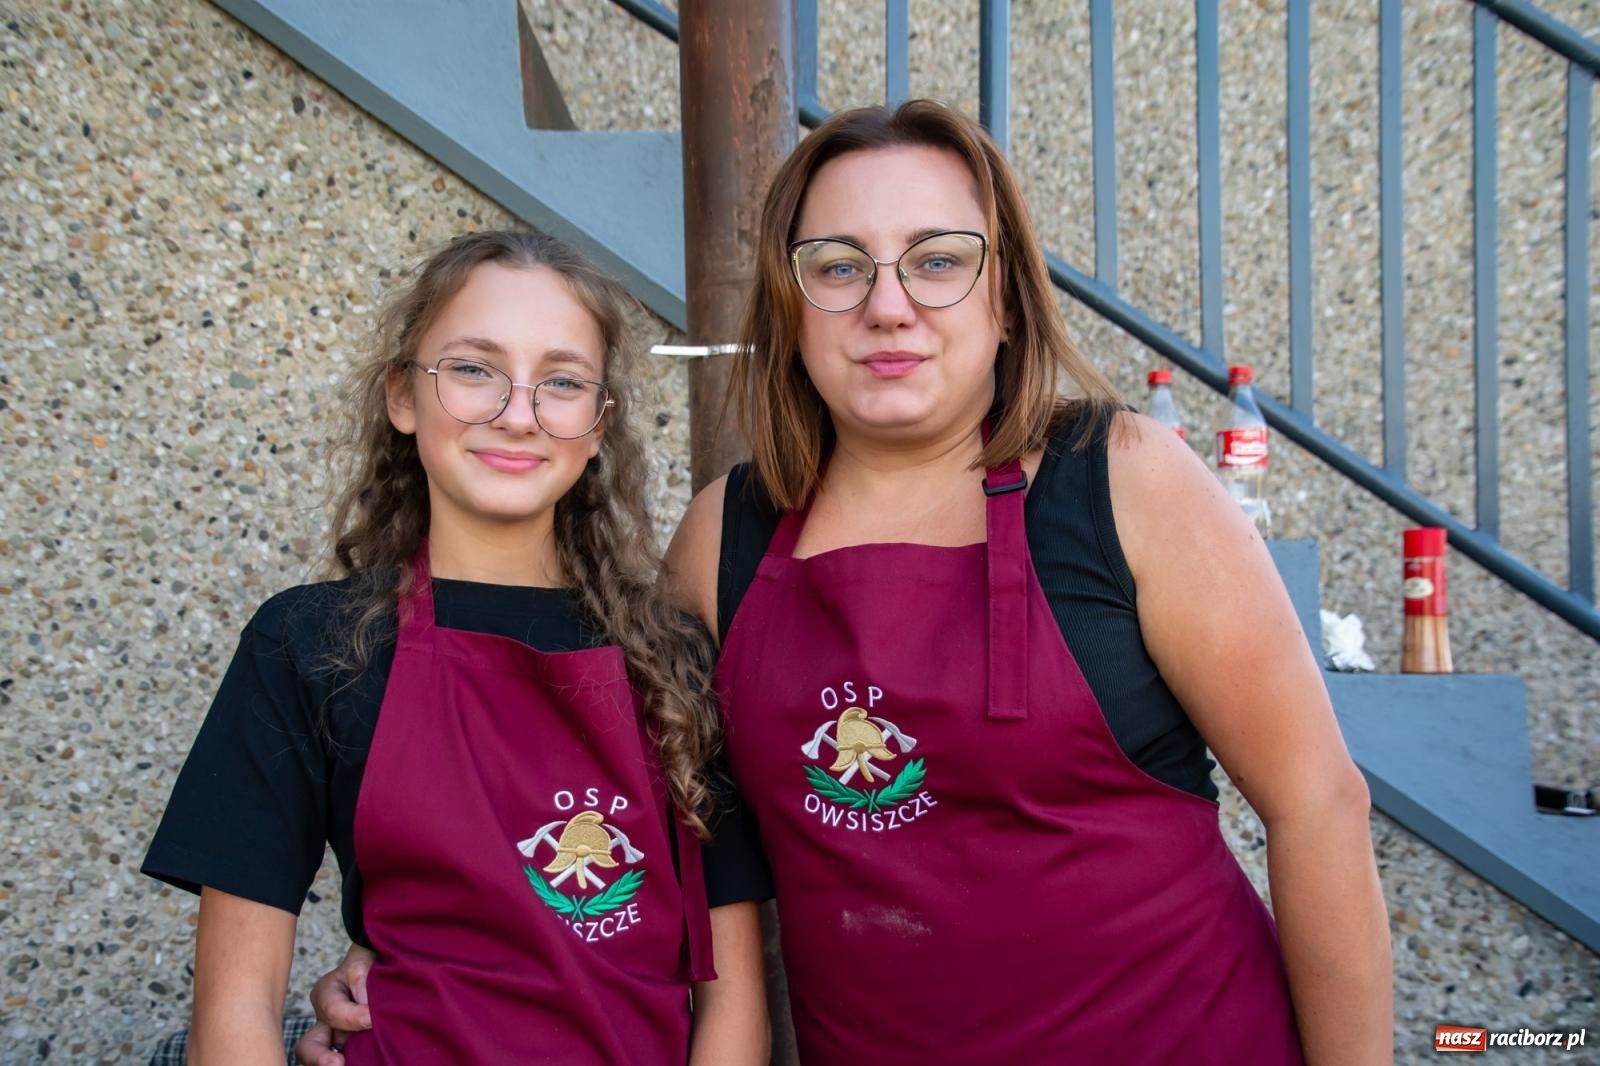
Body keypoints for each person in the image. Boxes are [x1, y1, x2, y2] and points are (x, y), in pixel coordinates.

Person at [305, 101, 1393, 1064]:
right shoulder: (723, 539)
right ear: (792, 305)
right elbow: (598, 809)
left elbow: (1317, 805)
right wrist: (411, 949)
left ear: (1006, 295)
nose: (887, 304)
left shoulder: (1123, 482)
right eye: (837, 265)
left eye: (935, 259)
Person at [141, 230, 769, 1065]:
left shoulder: (675, 659)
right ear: (404, 394)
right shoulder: (308, 646)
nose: (518, 412)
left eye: (562, 381)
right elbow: (234, 1019)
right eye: (473, 369)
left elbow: (731, 1002)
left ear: (597, 426)